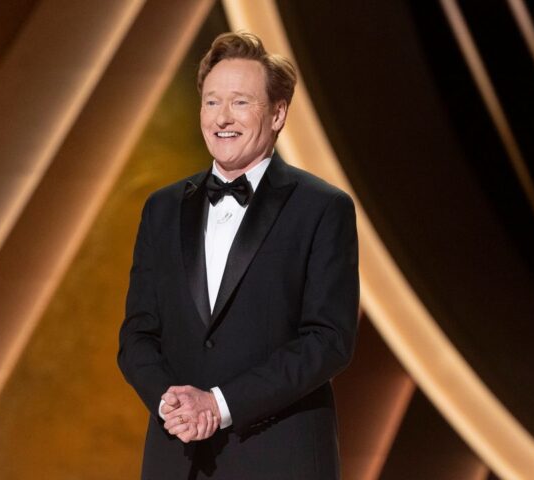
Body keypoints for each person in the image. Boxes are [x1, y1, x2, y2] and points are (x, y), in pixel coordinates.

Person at [118, 31, 359, 479]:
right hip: (178, 460)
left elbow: (329, 341)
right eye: (212, 102)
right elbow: (137, 334)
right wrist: (170, 402)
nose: (222, 117)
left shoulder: (323, 208)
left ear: (278, 113)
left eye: (240, 102)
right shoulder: (161, 208)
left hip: (279, 459)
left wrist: (220, 405)